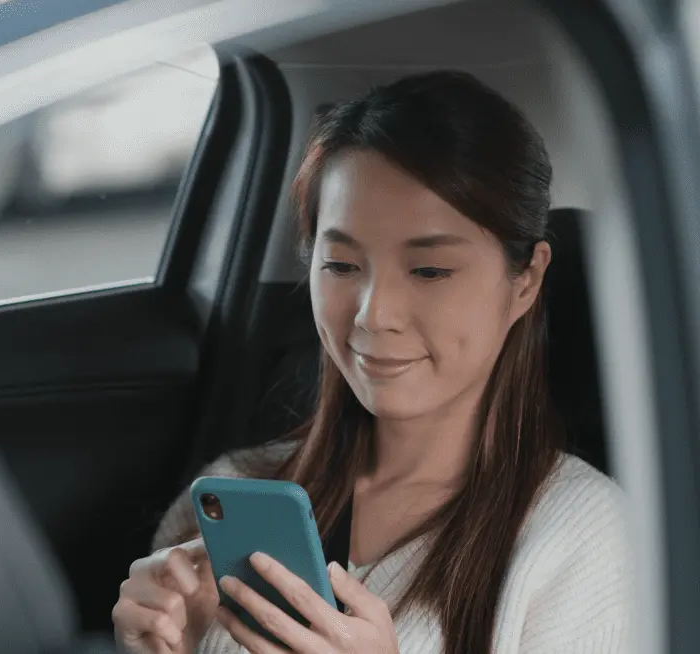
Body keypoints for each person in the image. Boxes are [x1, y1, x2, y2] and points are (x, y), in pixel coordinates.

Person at [112, 71, 633, 654]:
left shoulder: (583, 542)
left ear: (526, 279)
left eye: (430, 270)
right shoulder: (229, 493)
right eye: (340, 265)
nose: (373, 314)